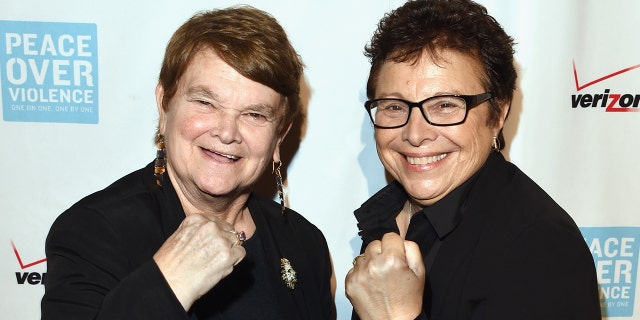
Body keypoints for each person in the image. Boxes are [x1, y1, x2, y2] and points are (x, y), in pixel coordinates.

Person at [41, 6, 335, 320]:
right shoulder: (94, 232)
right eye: (206, 102)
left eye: (255, 114)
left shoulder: (305, 243)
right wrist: (169, 284)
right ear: (165, 106)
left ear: (279, 135)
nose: (226, 132)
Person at [345, 0, 601, 319]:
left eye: (446, 105)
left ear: (498, 113)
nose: (415, 133)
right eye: (394, 106)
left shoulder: (539, 246)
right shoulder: (387, 217)